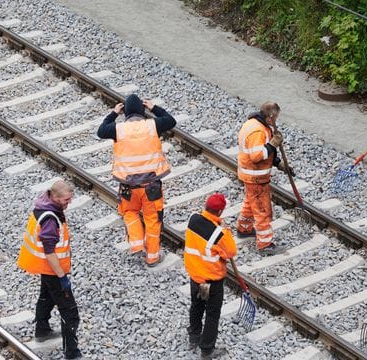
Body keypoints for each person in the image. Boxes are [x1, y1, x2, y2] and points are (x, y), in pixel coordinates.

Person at [97, 94, 176, 266]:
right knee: (152, 218)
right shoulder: (152, 125)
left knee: (130, 213)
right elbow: (171, 121)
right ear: (142, 111)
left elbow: (101, 131)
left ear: (125, 113)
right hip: (151, 186)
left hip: (127, 186)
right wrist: (154, 108)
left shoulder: (118, 129)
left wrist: (113, 113)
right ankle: (153, 257)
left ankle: (137, 244)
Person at [17, 180, 82, 359]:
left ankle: (42, 330)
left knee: (46, 297)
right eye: (66, 200)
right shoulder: (51, 220)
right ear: (55, 197)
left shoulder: (43, 206)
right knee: (69, 311)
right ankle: (72, 353)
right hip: (52, 269)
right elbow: (49, 251)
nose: (68, 203)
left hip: (45, 268)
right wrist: (62, 277)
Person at [184, 193, 237, 359]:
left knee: (197, 305)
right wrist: (225, 230)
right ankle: (207, 350)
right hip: (212, 281)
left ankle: (194, 336)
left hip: (195, 276)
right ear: (220, 211)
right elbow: (230, 252)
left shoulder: (193, 219)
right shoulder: (219, 234)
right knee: (213, 314)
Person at [236, 101, 290, 255]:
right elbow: (257, 156)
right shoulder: (258, 132)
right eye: (275, 118)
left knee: (250, 202)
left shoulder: (253, 124)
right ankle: (265, 244)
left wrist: (278, 163)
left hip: (250, 176)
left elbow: (264, 153)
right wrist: (273, 144)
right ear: (270, 117)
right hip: (256, 177)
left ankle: (244, 228)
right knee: (262, 210)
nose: (276, 121)